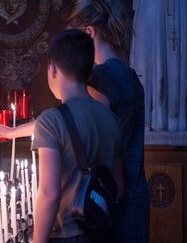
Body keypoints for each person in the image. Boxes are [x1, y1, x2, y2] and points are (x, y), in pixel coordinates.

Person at [0, 0, 150, 242]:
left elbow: (74, 119)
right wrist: (12, 131)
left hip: (104, 204)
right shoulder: (127, 74)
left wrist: (14, 132)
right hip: (131, 193)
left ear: (90, 33)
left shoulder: (104, 78)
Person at [32, 29, 124, 243]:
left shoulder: (50, 121)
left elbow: (49, 193)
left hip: (66, 234)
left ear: (53, 69)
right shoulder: (111, 119)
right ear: (89, 71)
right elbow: (118, 188)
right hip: (100, 231)